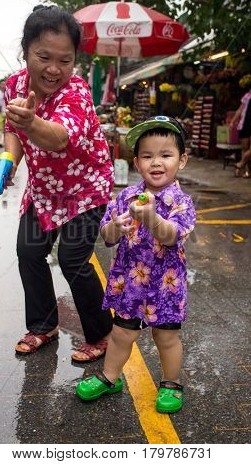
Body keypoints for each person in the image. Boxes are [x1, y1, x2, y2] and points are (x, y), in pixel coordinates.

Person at [4, 5, 114, 359]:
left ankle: (102, 334)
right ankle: (43, 325)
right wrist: (9, 158)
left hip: (86, 188)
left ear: (74, 60)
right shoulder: (14, 85)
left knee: (73, 259)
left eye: (65, 61)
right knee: (29, 251)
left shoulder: (77, 93)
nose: (54, 70)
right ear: (25, 51)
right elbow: (12, 129)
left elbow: (58, 137)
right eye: (44, 57)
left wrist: (30, 122)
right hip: (45, 189)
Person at [76, 116, 196, 414]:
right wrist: (116, 225)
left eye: (165, 155)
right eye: (147, 156)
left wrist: (152, 218)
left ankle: (171, 382)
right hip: (131, 282)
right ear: (136, 162)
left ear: (181, 161)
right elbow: (106, 235)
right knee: (121, 333)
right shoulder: (126, 196)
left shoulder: (181, 201)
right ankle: (110, 377)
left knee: (165, 337)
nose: (156, 162)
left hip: (165, 285)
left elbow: (173, 236)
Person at [231, 73, 251, 178]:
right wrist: (233, 121)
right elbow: (240, 110)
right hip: (245, 124)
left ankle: (239, 164)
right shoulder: (248, 95)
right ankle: (246, 171)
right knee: (244, 148)